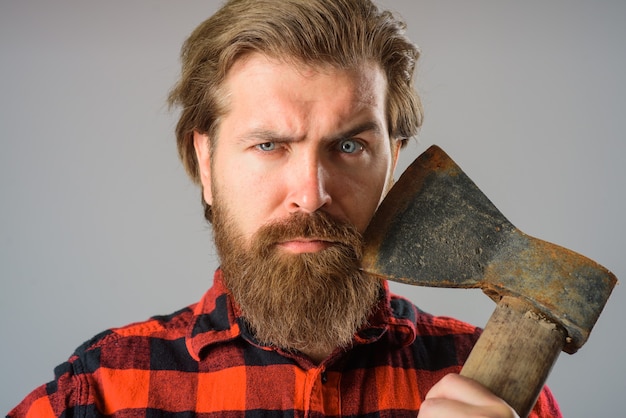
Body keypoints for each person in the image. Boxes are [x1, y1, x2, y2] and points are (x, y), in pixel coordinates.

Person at [9, 1, 561, 417]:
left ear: (394, 163)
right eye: (269, 145)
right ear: (206, 162)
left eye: (349, 146)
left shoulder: (501, 398)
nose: (311, 192)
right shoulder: (99, 393)